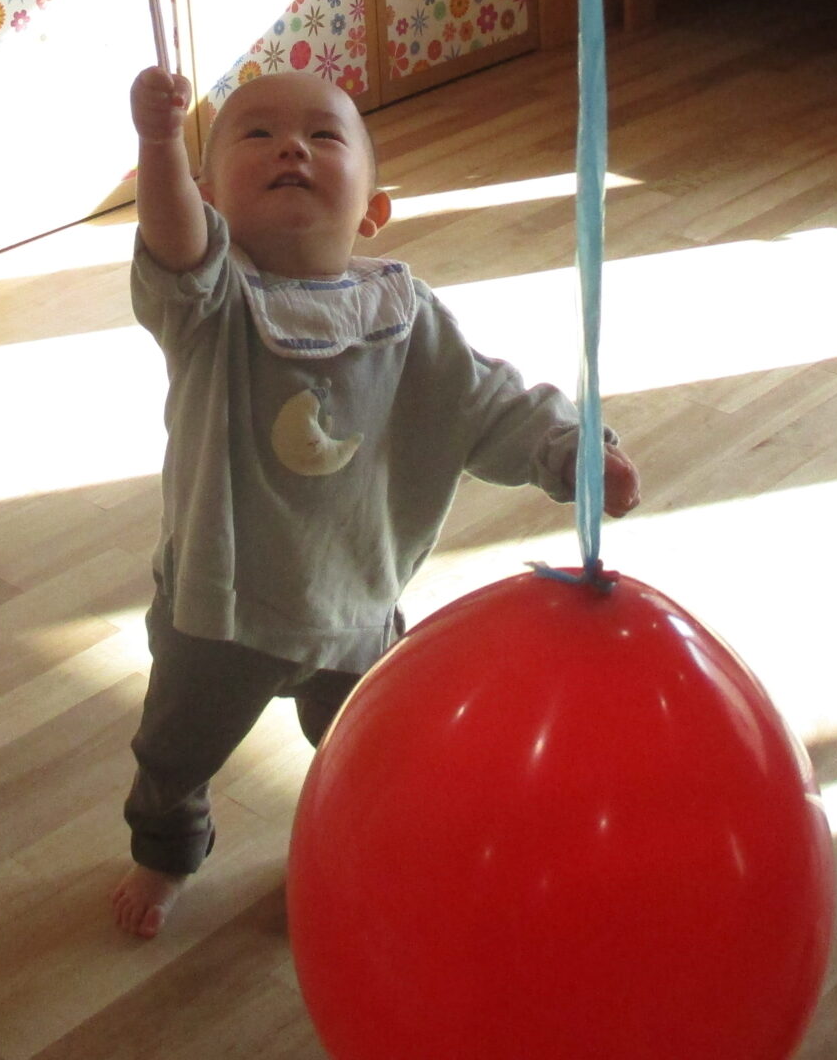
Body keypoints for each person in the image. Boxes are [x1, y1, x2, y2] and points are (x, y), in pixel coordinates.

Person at [112, 65, 642, 939]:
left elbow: (491, 402)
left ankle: (356, 849)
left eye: (325, 137)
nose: (292, 146)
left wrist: (574, 452)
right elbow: (173, 245)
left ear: (373, 209)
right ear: (209, 199)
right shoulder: (211, 302)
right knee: (173, 755)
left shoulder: (407, 315)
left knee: (379, 754)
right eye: (256, 135)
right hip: (221, 611)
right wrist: (159, 145)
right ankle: (166, 852)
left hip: (355, 603)